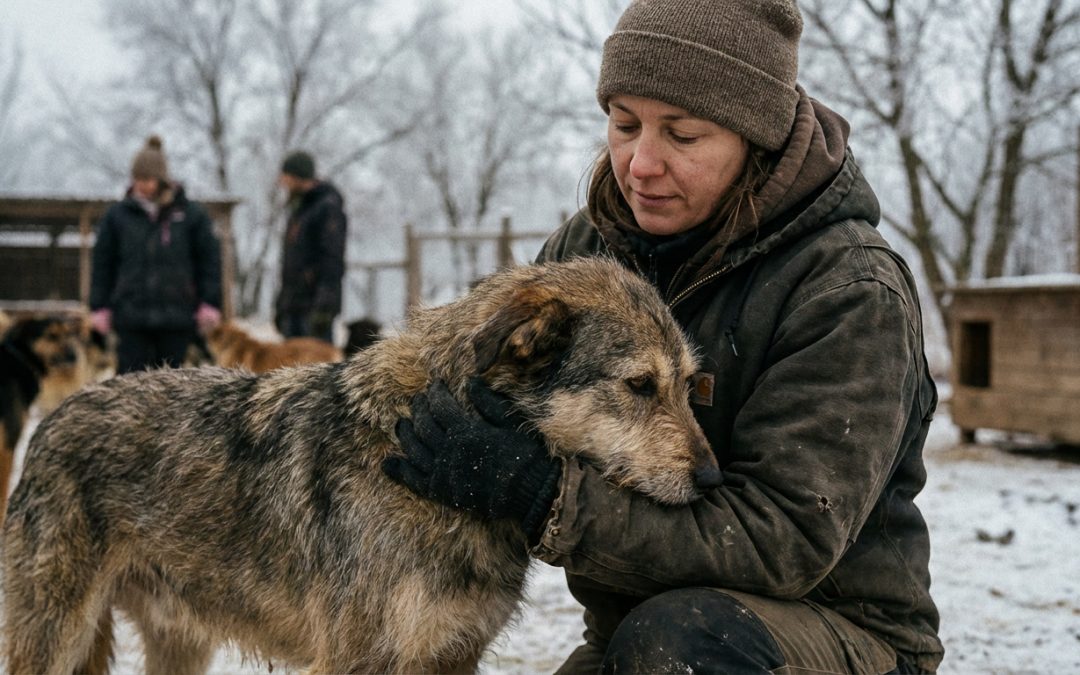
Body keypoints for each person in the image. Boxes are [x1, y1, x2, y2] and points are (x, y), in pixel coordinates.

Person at [382, 0, 943, 673]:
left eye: (681, 135)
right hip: (634, 633)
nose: (641, 163)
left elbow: (784, 540)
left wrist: (545, 497)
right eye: (624, 125)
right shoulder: (588, 253)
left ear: (754, 137)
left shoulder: (848, 291)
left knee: (680, 641)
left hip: (832, 636)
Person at [89, 135, 222, 374]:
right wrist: (100, 306)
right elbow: (102, 264)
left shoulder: (191, 215)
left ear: (162, 179)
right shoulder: (117, 216)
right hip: (131, 317)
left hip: (177, 317)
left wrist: (209, 302)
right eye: (138, 179)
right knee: (129, 388)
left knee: (172, 390)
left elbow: (209, 262)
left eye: (148, 179)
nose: (142, 185)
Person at [274, 150, 347, 343]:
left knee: (317, 369)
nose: (282, 181)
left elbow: (332, 260)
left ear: (298, 176)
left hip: (313, 306)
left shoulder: (326, 208)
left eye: (286, 176)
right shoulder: (298, 209)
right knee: (290, 371)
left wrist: (324, 306)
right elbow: (290, 263)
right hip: (294, 306)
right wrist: (281, 305)